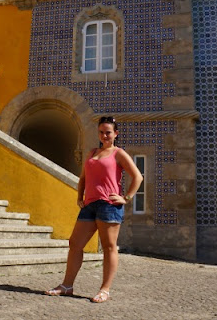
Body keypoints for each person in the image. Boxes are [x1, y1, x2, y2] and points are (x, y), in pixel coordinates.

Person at [45, 116, 144, 303]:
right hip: (89, 205)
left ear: (115, 134)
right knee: (75, 244)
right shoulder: (91, 153)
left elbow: (138, 177)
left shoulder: (118, 153)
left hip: (109, 206)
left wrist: (125, 198)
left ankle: (105, 289)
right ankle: (67, 286)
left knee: (108, 247)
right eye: (101, 132)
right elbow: (83, 178)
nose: (104, 135)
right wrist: (79, 196)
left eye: (108, 132)